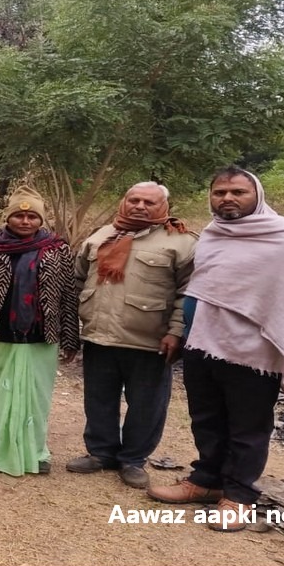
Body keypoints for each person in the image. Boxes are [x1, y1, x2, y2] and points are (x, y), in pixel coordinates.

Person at [147, 167, 284, 532]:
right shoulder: (214, 235)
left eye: (237, 192)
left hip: (254, 353)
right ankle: (206, 481)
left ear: (257, 196)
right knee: (206, 419)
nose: (227, 199)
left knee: (247, 427)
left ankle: (240, 496)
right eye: (219, 192)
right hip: (203, 343)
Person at [66, 182, 197, 488]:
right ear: (124, 202)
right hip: (99, 335)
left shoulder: (181, 242)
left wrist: (177, 332)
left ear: (164, 206)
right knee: (98, 399)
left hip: (150, 340)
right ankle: (101, 453)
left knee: (147, 403)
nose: (139, 206)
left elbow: (188, 293)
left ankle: (133, 460)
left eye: (148, 202)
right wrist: (73, 325)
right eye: (133, 200)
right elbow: (77, 281)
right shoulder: (102, 235)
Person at [0, 186, 79, 475]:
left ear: (41, 219)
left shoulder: (58, 249)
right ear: (8, 218)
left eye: (32, 216)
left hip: (41, 336)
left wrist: (71, 338)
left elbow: (68, 296)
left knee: (35, 396)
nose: (25, 221)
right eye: (18, 215)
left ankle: (35, 452)